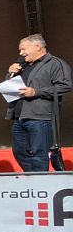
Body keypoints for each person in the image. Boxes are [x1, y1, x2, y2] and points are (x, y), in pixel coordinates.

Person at [6, 33, 72, 172]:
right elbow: (11, 87)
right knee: (19, 152)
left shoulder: (55, 63)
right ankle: (33, 178)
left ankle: (39, 183)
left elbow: (65, 86)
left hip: (40, 116)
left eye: (23, 49)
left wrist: (36, 92)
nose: (21, 53)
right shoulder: (22, 66)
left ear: (37, 47)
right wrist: (10, 73)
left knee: (38, 153)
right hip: (19, 116)